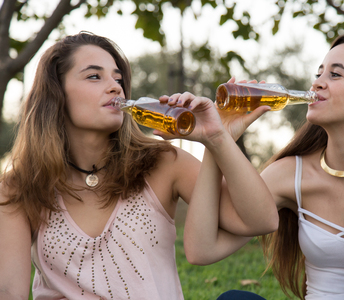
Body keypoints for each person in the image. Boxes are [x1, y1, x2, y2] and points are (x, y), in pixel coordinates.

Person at [0, 32, 279, 300]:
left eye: (118, 78)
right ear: (56, 94)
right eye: (94, 76)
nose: (115, 86)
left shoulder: (162, 163)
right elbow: (9, 291)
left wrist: (217, 138)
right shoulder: (20, 187)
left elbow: (261, 220)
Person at [183, 34, 344, 299]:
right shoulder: (290, 174)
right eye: (319, 73)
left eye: (335, 75)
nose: (317, 83)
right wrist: (216, 138)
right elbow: (202, 250)